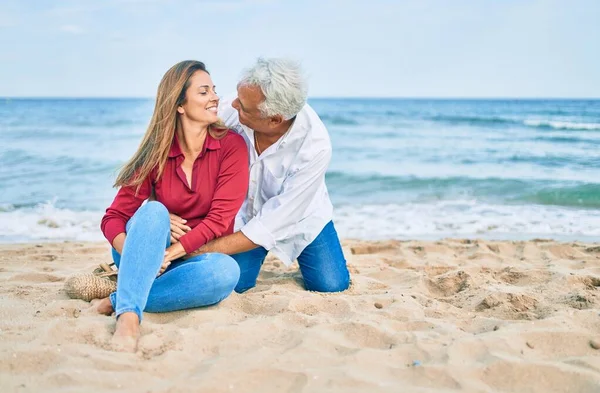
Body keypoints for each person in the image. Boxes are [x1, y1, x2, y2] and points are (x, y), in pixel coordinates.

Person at [92, 60, 249, 350]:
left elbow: (219, 220)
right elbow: (113, 217)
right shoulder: (157, 152)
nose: (215, 96)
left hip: (194, 259)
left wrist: (169, 255)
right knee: (153, 212)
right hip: (146, 252)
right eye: (204, 92)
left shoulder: (232, 146)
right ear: (179, 104)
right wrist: (140, 254)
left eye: (214, 89)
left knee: (225, 273)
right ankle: (128, 318)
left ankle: (122, 296)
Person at [170, 57, 350, 293]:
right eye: (237, 97)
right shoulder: (231, 110)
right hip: (240, 215)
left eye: (243, 106)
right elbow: (174, 143)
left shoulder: (315, 147)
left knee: (331, 285)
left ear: (274, 119)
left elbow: (273, 222)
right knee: (236, 286)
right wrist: (164, 207)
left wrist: (199, 248)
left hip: (299, 215)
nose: (233, 104)